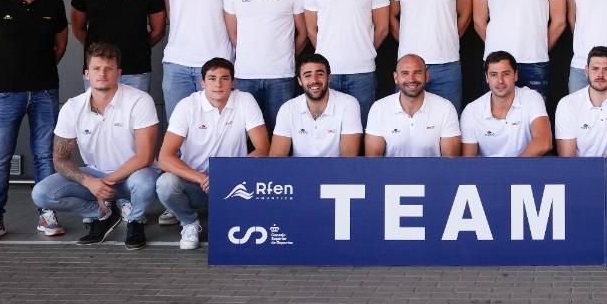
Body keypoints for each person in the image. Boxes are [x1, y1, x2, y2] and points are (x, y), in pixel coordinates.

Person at [0, 0, 68, 242]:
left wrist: (35, 74)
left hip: (45, 91)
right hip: (7, 93)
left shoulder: (53, 4)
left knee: (45, 155)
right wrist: (9, 75)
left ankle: (46, 213)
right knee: (1, 157)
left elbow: (60, 46)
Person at [30, 43, 159, 250]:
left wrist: (104, 183)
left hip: (134, 174)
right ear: (87, 74)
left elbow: (144, 157)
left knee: (144, 182)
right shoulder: (72, 107)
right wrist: (89, 181)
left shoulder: (140, 101)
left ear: (119, 73)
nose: (103, 74)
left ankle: (135, 222)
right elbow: (60, 160)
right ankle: (102, 214)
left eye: (109, 69)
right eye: (97, 69)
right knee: (41, 194)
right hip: (94, 173)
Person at [156, 58, 269, 250]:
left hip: (234, 184)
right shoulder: (187, 106)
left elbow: (263, 148)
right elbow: (165, 158)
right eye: (212, 78)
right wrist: (202, 178)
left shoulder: (245, 100)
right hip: (195, 183)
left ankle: (231, 215)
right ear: (202, 82)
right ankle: (189, 222)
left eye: (225, 78)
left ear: (233, 82)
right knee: (165, 183)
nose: (218, 84)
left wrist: (226, 175)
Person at [303, 0, 388, 125]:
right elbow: (311, 29)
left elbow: (383, 28)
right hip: (327, 73)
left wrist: (364, 49)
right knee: (329, 129)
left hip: (362, 72)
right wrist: (328, 51)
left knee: (364, 128)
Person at [223, 0, 307, 129]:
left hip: (281, 77)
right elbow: (233, 34)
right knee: (248, 135)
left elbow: (303, 32)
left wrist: (285, 55)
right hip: (245, 76)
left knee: (281, 134)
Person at [364, 54, 461, 157]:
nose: (411, 79)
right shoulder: (379, 108)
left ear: (427, 76)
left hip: (433, 173)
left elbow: (450, 163)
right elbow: (373, 162)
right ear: (396, 78)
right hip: (391, 173)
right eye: (405, 73)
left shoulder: (445, 108)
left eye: (418, 72)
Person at [269, 53, 363, 157]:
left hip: (336, 171)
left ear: (328, 77)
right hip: (298, 171)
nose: (314, 80)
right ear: (300, 81)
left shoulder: (348, 104)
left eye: (320, 74)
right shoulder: (287, 109)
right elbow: (276, 156)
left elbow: (348, 157)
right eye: (307, 75)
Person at [460, 51, 552, 157]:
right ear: (486, 78)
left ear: (515, 75)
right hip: (487, 172)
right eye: (494, 75)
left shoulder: (531, 98)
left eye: (506, 74)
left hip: (524, 169)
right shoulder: (471, 111)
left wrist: (513, 170)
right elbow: (468, 161)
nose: (500, 80)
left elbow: (544, 142)